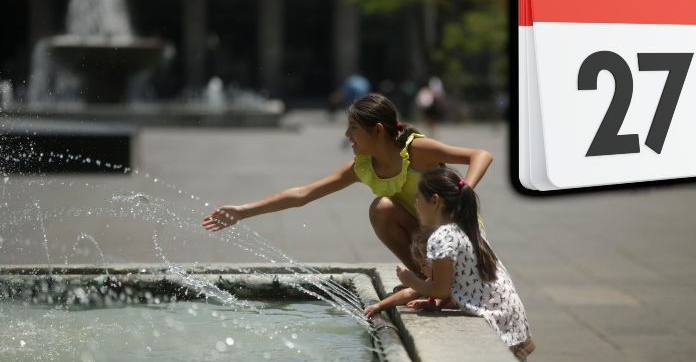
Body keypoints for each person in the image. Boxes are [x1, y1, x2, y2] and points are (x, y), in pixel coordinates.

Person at [202, 93, 494, 278]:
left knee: (383, 206)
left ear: (377, 130)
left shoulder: (416, 149)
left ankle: (435, 281)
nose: (347, 135)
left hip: (458, 234)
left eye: (353, 128)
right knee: (382, 208)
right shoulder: (364, 167)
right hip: (425, 237)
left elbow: (481, 155)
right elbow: (303, 194)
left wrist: (465, 188)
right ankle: (424, 277)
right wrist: (242, 211)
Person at [365, 166, 535, 362]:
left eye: (419, 198)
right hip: (509, 310)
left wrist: (409, 279)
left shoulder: (442, 237)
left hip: (494, 315)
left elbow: (440, 289)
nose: (416, 203)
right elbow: (455, 279)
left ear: (435, 201)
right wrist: (437, 305)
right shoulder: (468, 226)